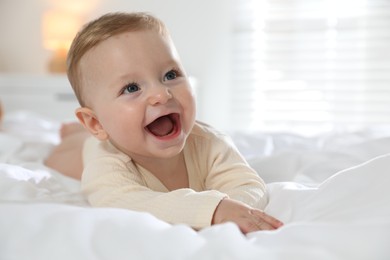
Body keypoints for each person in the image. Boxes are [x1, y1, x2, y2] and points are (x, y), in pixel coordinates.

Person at [45, 12, 283, 234]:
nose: (161, 94)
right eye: (131, 88)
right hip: (89, 150)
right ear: (96, 123)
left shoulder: (209, 143)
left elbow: (247, 183)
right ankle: (75, 134)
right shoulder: (107, 165)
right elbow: (124, 202)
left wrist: (233, 207)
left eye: (170, 75)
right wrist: (212, 210)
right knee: (60, 156)